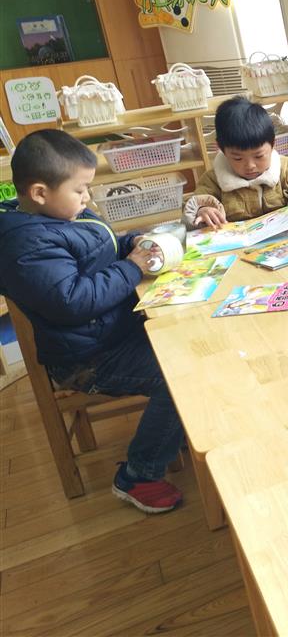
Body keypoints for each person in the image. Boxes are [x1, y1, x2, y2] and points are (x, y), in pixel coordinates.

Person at [0, 131, 186, 513]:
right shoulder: (26, 245)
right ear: (39, 192)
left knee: (187, 337)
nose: (87, 198)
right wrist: (132, 268)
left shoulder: (63, 213)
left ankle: (179, 426)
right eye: (80, 189)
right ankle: (139, 474)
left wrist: (133, 243)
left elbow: (104, 246)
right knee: (180, 377)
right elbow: (74, 301)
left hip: (114, 333)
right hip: (89, 360)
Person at [183, 96, 288, 228]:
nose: (250, 166)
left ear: (273, 144)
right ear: (221, 149)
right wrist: (202, 209)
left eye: (259, 156)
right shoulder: (213, 179)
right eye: (238, 158)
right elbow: (195, 203)